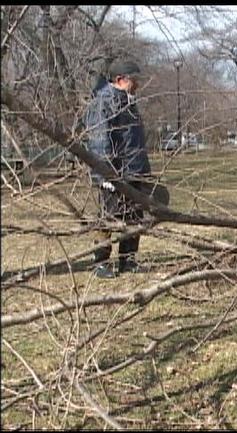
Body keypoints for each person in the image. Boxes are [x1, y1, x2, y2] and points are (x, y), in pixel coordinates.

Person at [84, 59, 152, 279]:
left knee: (134, 217)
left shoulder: (129, 102)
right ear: (120, 80)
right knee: (109, 217)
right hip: (114, 172)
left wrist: (143, 171)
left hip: (133, 171)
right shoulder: (103, 102)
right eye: (134, 80)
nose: (138, 85)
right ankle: (101, 262)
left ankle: (127, 260)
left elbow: (135, 141)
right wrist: (104, 173)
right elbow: (99, 139)